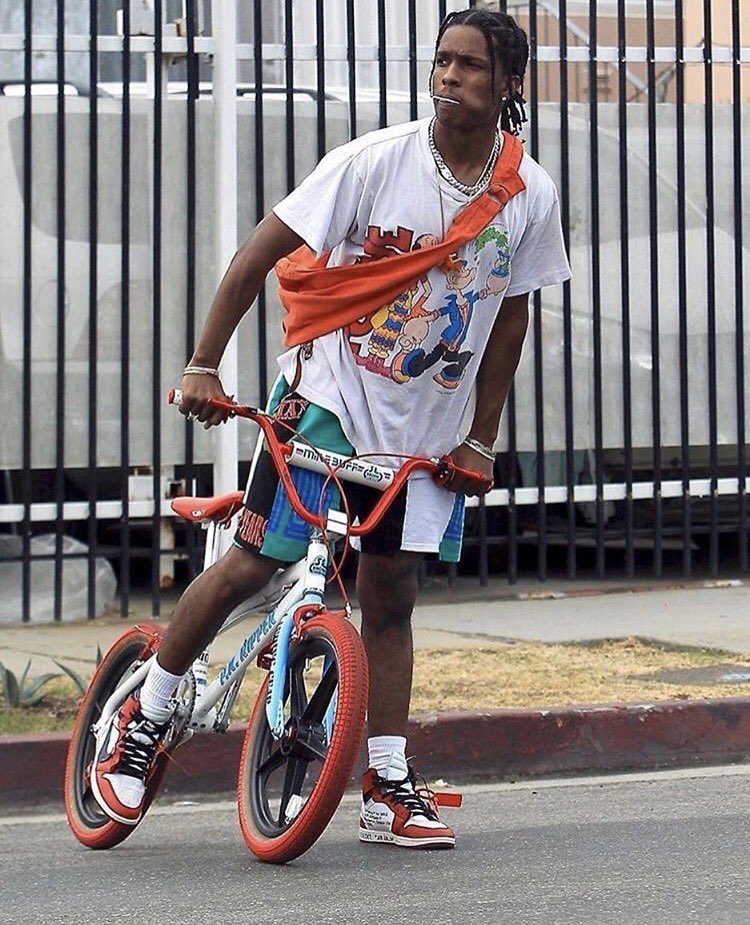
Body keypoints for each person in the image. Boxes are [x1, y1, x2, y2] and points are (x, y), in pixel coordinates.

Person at [93, 8, 571, 848]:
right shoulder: (373, 163)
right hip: (326, 400)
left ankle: (387, 783)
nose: (449, 77)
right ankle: (147, 714)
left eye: (469, 66)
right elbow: (257, 253)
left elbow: (512, 319)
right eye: (442, 61)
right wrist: (203, 364)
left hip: (423, 433)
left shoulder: (529, 194)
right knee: (254, 561)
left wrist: (481, 436)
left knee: (392, 599)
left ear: (510, 84)